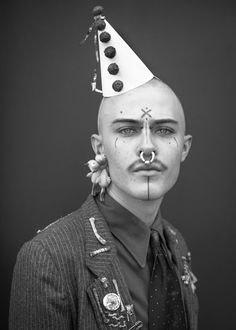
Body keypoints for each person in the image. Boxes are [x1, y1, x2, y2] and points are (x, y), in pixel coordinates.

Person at [9, 6, 198, 330]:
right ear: (100, 148)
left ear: (184, 147)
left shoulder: (176, 244)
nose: (148, 148)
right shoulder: (47, 258)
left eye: (165, 131)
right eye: (127, 130)